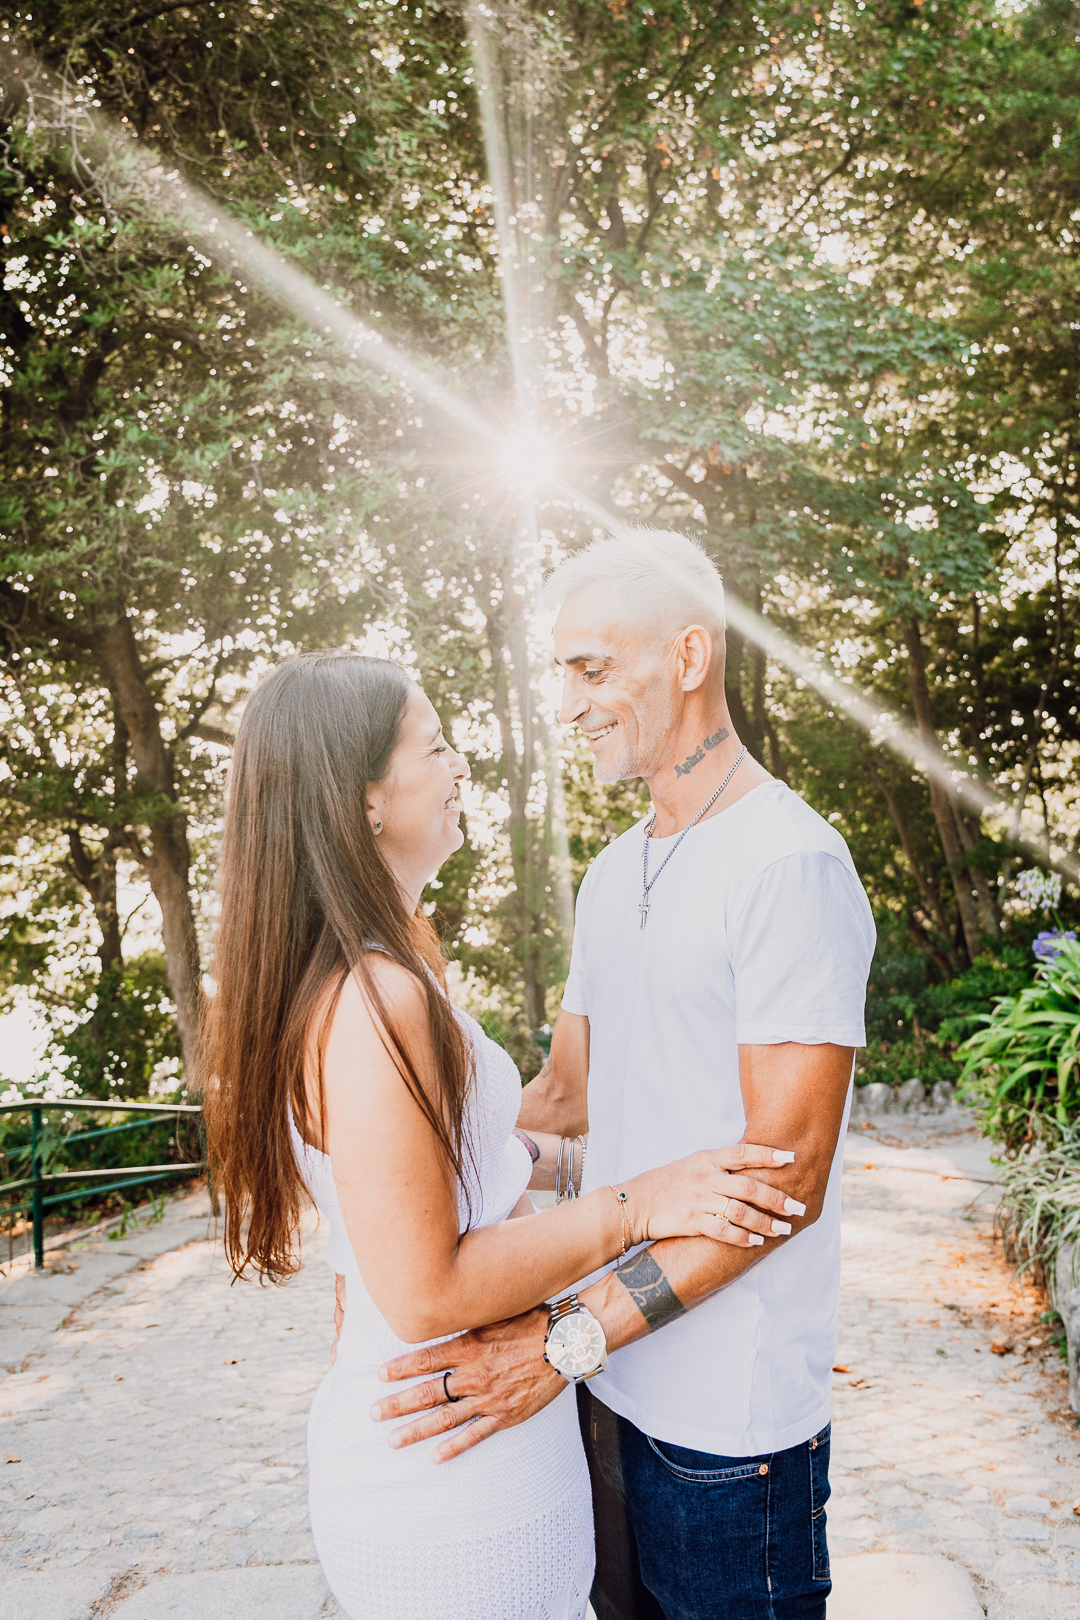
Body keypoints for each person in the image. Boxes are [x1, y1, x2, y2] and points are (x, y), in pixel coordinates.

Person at [201, 647, 800, 1620]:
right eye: (434, 747)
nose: (460, 766)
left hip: (467, 1445)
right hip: (448, 1468)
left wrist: (622, 1167)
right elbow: (428, 1284)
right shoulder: (376, 999)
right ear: (362, 800)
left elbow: (476, 1165)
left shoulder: (385, 970)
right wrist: (640, 1201)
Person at [370, 532, 876, 1620]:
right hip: (605, 1400)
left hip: (727, 1442)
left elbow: (784, 1186)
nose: (567, 701)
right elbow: (559, 1104)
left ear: (688, 657)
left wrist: (563, 1339)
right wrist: (372, 1171)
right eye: (562, 671)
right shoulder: (612, 875)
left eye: (593, 669)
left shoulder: (789, 864)